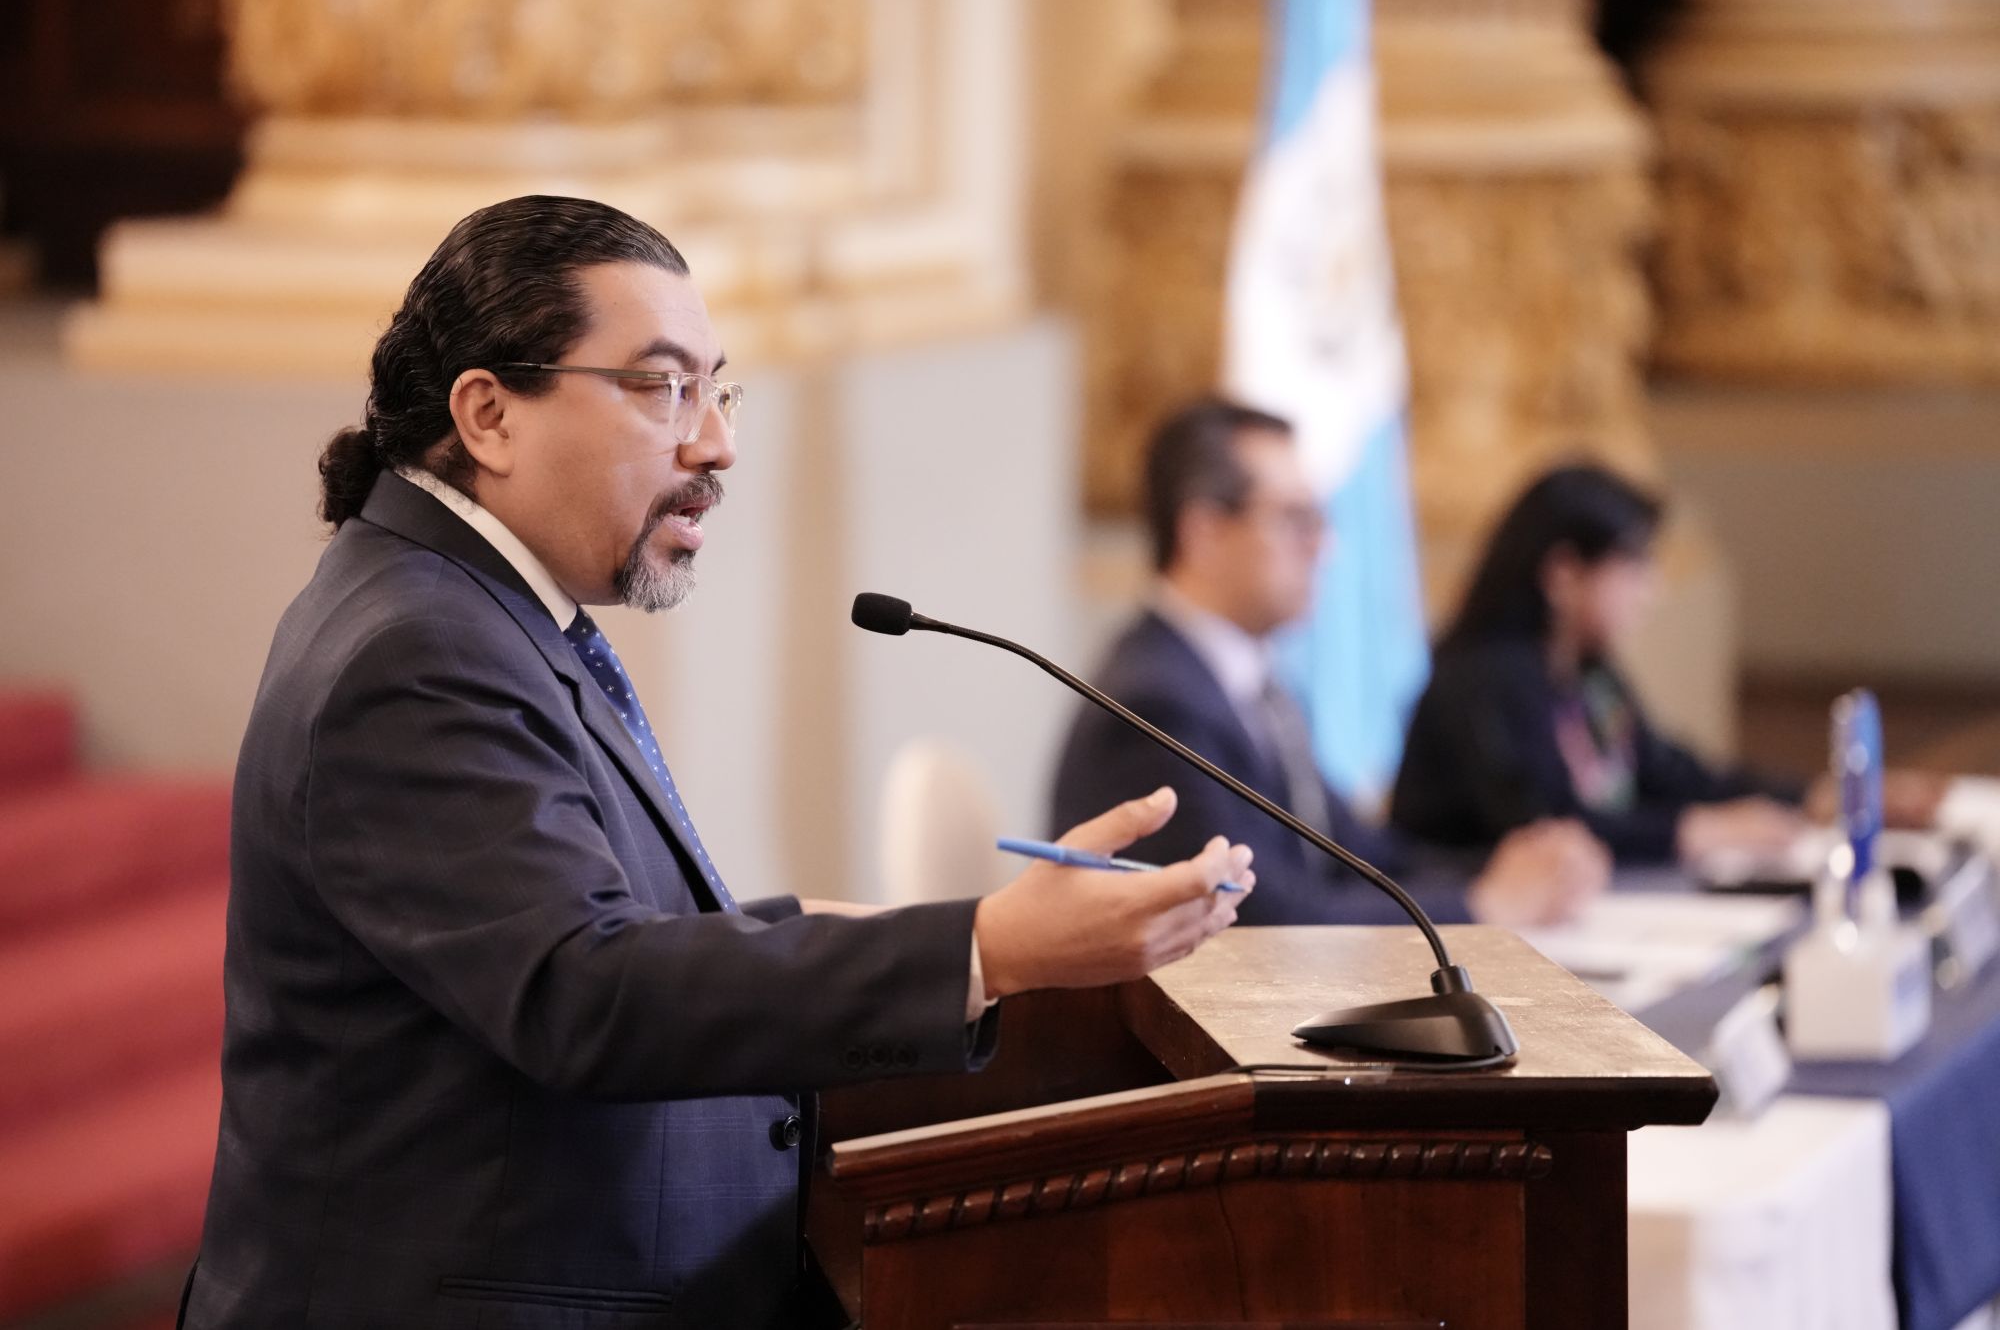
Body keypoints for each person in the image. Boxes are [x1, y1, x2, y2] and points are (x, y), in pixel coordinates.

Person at [182, 196, 1254, 1329]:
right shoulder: (418, 653)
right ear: (489, 415)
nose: (715, 443)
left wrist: (966, 932)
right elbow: (584, 991)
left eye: (716, 389)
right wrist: (987, 947)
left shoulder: (477, 610)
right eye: (662, 387)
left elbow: (614, 928)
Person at [1050, 398, 1607, 929]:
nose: (1323, 547)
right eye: (1296, 519)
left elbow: (1357, 856)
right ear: (1205, 532)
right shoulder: (1155, 701)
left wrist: (1510, 868)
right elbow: (1251, 917)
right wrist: (1480, 903)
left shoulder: (1255, 683)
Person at [1389, 463, 1945, 865]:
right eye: (1633, 566)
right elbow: (1543, 826)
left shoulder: (1588, 672)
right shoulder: (1488, 677)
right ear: (1563, 573)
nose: (1650, 590)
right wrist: (1693, 831)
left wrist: (1810, 797)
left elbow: (1673, 773)